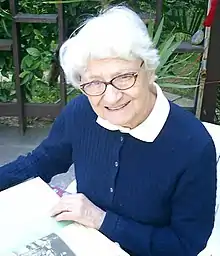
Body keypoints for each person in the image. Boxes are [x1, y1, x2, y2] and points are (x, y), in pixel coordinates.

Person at [0, 5, 217, 256]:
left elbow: (185, 244)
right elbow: (41, 162)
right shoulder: (82, 111)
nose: (111, 97)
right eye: (94, 83)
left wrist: (102, 220)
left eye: (124, 77)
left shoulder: (193, 145)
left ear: (149, 69)